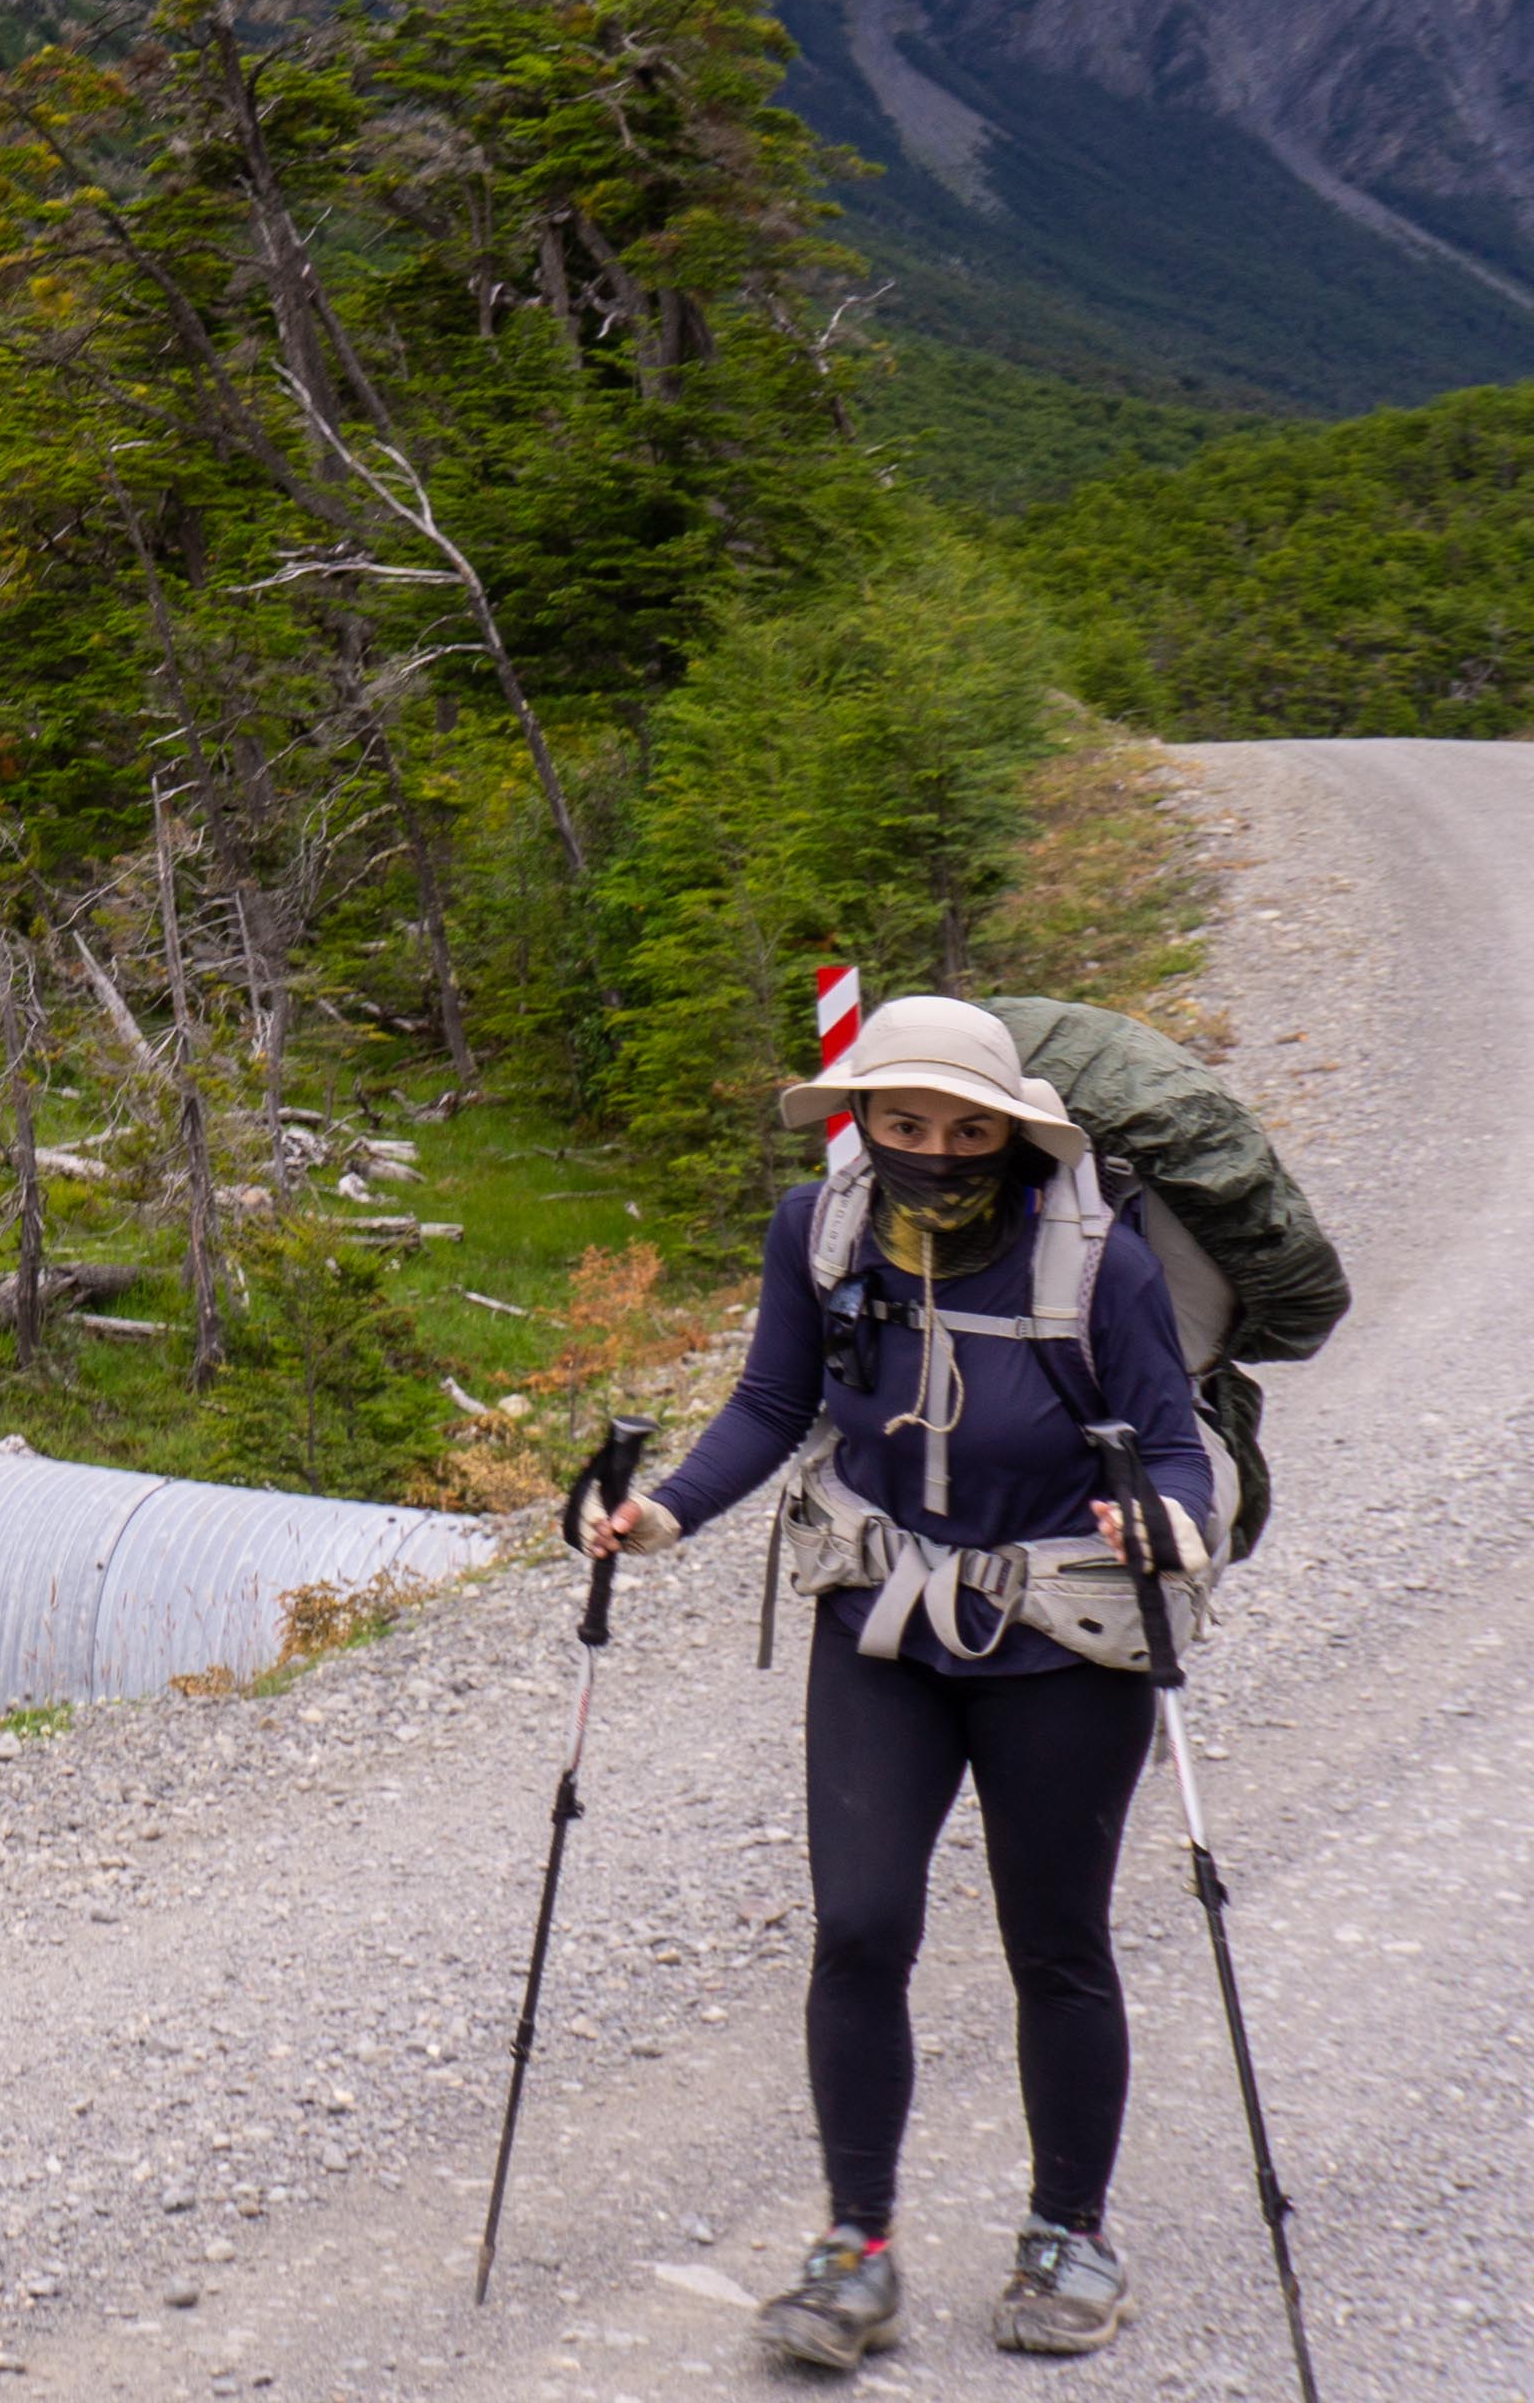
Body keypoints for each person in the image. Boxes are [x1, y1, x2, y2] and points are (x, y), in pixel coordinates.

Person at [569, 995, 1217, 2370]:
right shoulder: (819, 1227)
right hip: (877, 1622)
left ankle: (1070, 2235)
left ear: (1013, 1131)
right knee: (860, 1928)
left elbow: (1172, 1446)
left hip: (1060, 1637)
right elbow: (770, 1401)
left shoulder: (1102, 1262)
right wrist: (664, 1516)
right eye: (903, 1121)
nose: (932, 1148)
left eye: (965, 1127)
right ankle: (857, 2249)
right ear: (862, 1116)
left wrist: (1170, 1526)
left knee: (1057, 1942)